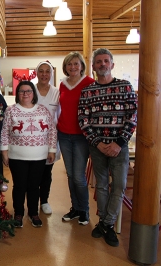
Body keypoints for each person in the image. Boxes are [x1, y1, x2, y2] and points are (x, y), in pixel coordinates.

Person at [78, 48, 138, 247]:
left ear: (112, 64)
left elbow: (133, 116)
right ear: (94, 66)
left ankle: (106, 223)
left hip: (119, 147)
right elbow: (83, 119)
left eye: (106, 61)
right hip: (98, 147)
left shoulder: (125, 87)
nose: (102, 64)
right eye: (98, 62)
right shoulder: (88, 91)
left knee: (119, 186)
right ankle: (108, 224)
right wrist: (98, 143)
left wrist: (119, 143)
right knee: (102, 186)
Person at [0, 80, 57, 228]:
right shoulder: (11, 110)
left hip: (39, 156)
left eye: (28, 91)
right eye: (22, 91)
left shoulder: (43, 110)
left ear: (33, 94)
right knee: (19, 186)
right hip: (17, 156)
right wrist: (4, 151)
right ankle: (18, 213)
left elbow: (51, 131)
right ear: (17, 94)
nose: (25, 94)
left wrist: (52, 150)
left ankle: (33, 213)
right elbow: (5, 132)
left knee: (34, 186)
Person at [58, 52, 95, 226]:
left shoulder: (89, 83)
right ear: (65, 67)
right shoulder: (62, 85)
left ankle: (84, 210)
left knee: (79, 176)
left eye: (76, 64)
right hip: (64, 134)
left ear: (82, 65)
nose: (72, 67)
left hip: (81, 136)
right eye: (69, 64)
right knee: (71, 175)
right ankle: (75, 208)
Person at [34, 61, 60, 215]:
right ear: (37, 73)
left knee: (46, 173)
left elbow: (60, 116)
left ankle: (44, 201)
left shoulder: (57, 92)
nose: (44, 74)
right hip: (31, 140)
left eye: (47, 72)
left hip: (50, 139)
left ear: (51, 74)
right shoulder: (30, 90)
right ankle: (32, 201)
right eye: (41, 71)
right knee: (33, 173)